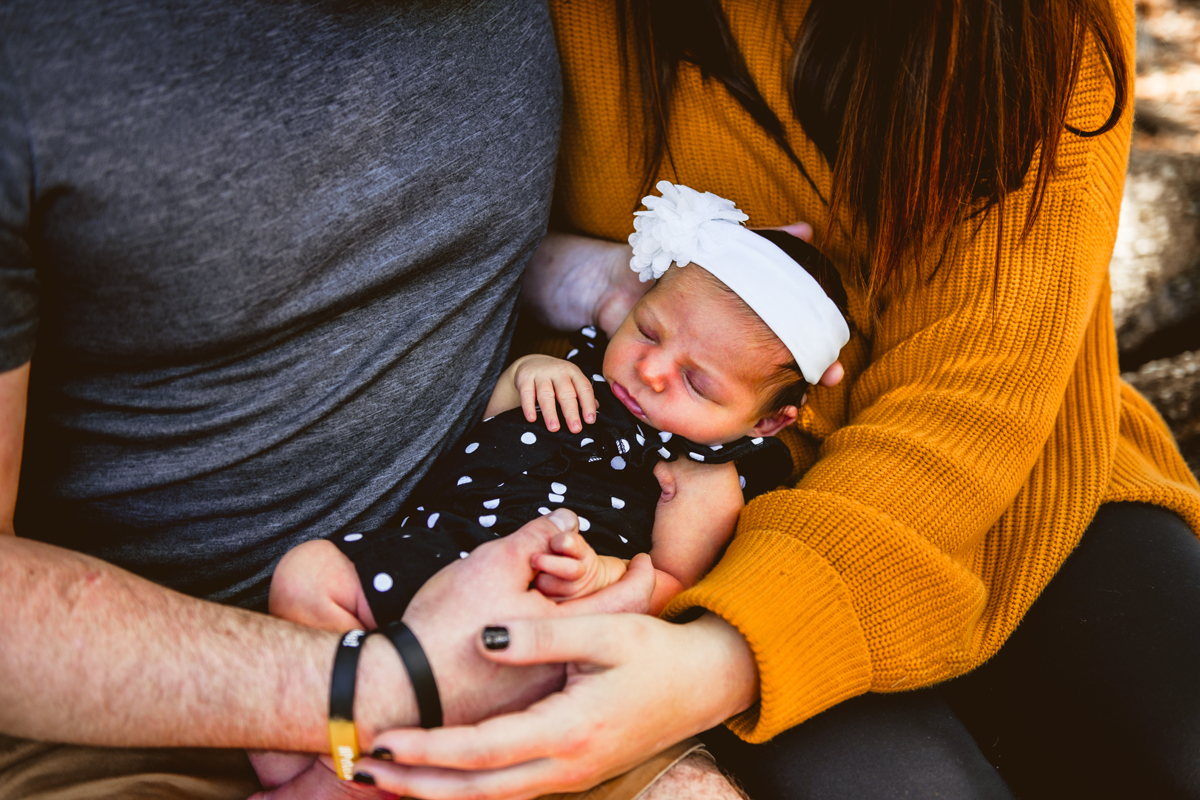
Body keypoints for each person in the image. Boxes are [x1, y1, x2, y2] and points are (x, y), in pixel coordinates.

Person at [345, 1, 1200, 798]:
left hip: (1010, 477)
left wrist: (714, 664)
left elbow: (973, 402)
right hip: (669, 517)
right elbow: (430, 221)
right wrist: (598, 285)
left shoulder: (1040, 22)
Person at [0, 2, 659, 799]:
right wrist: (385, 684)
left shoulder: (544, 20)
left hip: (492, 593)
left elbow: (429, 243)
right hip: (133, 691)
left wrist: (604, 287)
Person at [251, 183, 851, 793]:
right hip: (434, 548)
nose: (650, 370)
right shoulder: (574, 372)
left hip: (535, 603)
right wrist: (528, 372)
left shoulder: (702, 478)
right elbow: (491, 430)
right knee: (306, 573)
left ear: (768, 422)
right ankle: (314, 746)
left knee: (458, 717)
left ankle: (337, 775)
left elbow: (667, 590)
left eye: (697, 383)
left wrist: (600, 579)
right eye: (648, 330)